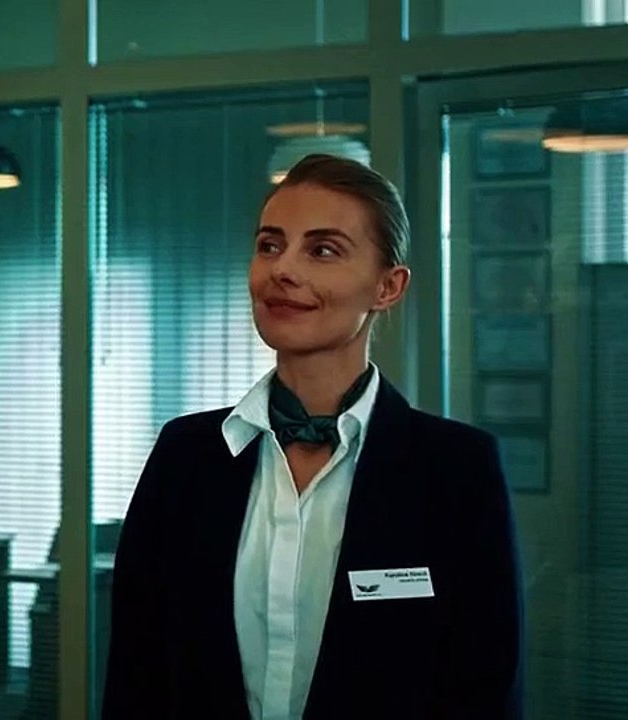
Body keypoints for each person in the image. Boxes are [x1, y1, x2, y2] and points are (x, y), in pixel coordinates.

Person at [101, 154, 523, 720]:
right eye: (270, 245)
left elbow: (485, 688)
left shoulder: (457, 469)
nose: (282, 269)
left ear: (387, 287)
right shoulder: (185, 455)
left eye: (322, 250)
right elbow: (136, 673)